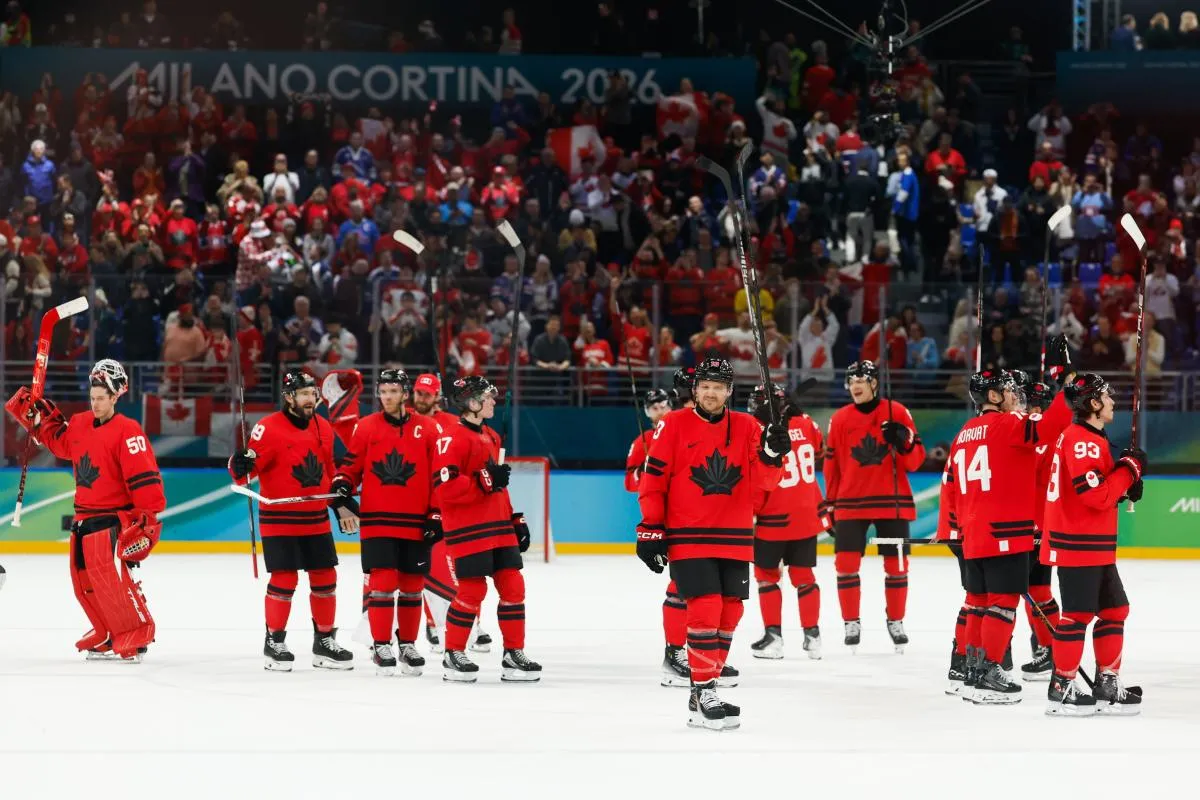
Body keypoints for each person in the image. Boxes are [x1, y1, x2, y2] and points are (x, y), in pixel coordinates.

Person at [636, 357, 788, 731]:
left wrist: (772, 453)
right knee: (704, 609)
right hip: (689, 534)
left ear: (728, 391)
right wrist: (650, 529)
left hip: (734, 535)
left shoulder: (749, 426)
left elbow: (767, 481)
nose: (710, 392)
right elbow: (653, 481)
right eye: (704, 385)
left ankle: (703, 689)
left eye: (718, 386)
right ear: (695, 389)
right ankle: (705, 691)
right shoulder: (672, 425)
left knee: (730, 613)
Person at [5, 360, 165, 662]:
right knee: (83, 583)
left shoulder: (128, 431)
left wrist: (147, 520)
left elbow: (145, 478)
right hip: (83, 516)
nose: (96, 403)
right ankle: (104, 630)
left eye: (101, 398)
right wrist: (38, 421)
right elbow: (61, 443)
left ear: (116, 397)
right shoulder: (79, 423)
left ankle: (135, 632)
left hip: (112, 517)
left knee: (110, 582)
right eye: (92, 397)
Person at [941, 366, 1071, 704]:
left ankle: (972, 671)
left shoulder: (964, 432)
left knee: (978, 603)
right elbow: (1052, 426)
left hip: (974, 534)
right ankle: (990, 672)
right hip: (1006, 532)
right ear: (994, 396)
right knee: (1002, 605)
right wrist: (1066, 387)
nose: (1016, 396)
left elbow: (953, 486)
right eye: (1009, 390)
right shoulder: (1008, 425)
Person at [228, 370, 357, 672]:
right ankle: (274, 642)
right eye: (303, 394)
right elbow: (243, 473)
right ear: (288, 398)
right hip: (279, 517)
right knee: (285, 580)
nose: (310, 399)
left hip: (315, 517)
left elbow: (328, 470)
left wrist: (339, 506)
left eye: (312, 393)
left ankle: (324, 641)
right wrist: (239, 462)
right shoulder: (267, 428)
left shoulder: (323, 426)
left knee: (326, 578)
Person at [1041, 373, 1145, 716]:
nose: (1113, 401)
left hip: (1092, 544)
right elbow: (1095, 495)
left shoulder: (1088, 438)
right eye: (1107, 396)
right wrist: (1127, 471)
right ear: (1094, 404)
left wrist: (1123, 477)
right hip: (1078, 543)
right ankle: (1062, 685)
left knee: (1115, 610)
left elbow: (1097, 489)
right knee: (1077, 616)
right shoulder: (1082, 439)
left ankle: (1107, 681)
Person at [433, 376, 542, 682]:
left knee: (513, 586)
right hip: (469, 528)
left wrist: (514, 518)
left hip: (498, 526)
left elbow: (497, 486)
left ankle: (513, 653)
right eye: (487, 397)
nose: (494, 401)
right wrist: (484, 480)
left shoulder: (491, 435)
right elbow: (445, 488)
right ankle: (453, 653)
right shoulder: (451, 438)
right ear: (471, 402)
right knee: (473, 589)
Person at [332, 369, 439, 676]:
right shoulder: (366, 427)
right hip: (378, 519)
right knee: (382, 584)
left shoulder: (429, 428)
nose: (387, 397)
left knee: (412, 586)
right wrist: (342, 483)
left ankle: (407, 643)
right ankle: (381, 645)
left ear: (405, 393)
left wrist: (435, 513)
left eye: (393, 391)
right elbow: (350, 466)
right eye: (383, 391)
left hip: (416, 520)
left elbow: (436, 475)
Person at [823, 361, 926, 652]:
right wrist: (829, 504)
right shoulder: (840, 419)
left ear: (874, 384)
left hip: (891, 502)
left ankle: (896, 621)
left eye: (862, 379)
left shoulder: (898, 412)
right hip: (850, 503)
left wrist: (902, 440)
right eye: (851, 380)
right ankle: (851, 622)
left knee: (897, 566)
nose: (855, 385)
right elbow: (832, 465)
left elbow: (916, 461)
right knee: (845, 565)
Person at [409, 372, 493, 654]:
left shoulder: (452, 423)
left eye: (427, 394)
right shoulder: (409, 421)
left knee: (466, 569)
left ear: (438, 397)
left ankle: (472, 621)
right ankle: (433, 624)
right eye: (418, 393)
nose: (421, 398)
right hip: (419, 502)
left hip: (453, 505)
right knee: (429, 568)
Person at [748, 384, 828, 660]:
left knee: (767, 576)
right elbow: (819, 449)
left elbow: (758, 480)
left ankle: (773, 639)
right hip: (806, 515)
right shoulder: (806, 423)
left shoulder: (758, 431)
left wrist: (751, 512)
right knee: (804, 577)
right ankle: (813, 636)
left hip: (773, 516)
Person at [624, 387, 693, 686]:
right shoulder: (642, 441)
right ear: (646, 412)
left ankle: (701, 650)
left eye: (663, 404)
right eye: (653, 407)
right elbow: (630, 481)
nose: (659, 409)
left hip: (691, 512)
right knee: (681, 585)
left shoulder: (681, 428)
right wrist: (646, 469)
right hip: (668, 519)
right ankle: (676, 652)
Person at [1020, 378, 1061, 681]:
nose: (1032, 409)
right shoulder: (1054, 434)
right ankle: (1049, 648)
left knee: (1035, 590)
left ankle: (1051, 649)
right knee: (1033, 591)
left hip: (1032, 525)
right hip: (1038, 524)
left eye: (1036, 405)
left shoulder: (1040, 435)